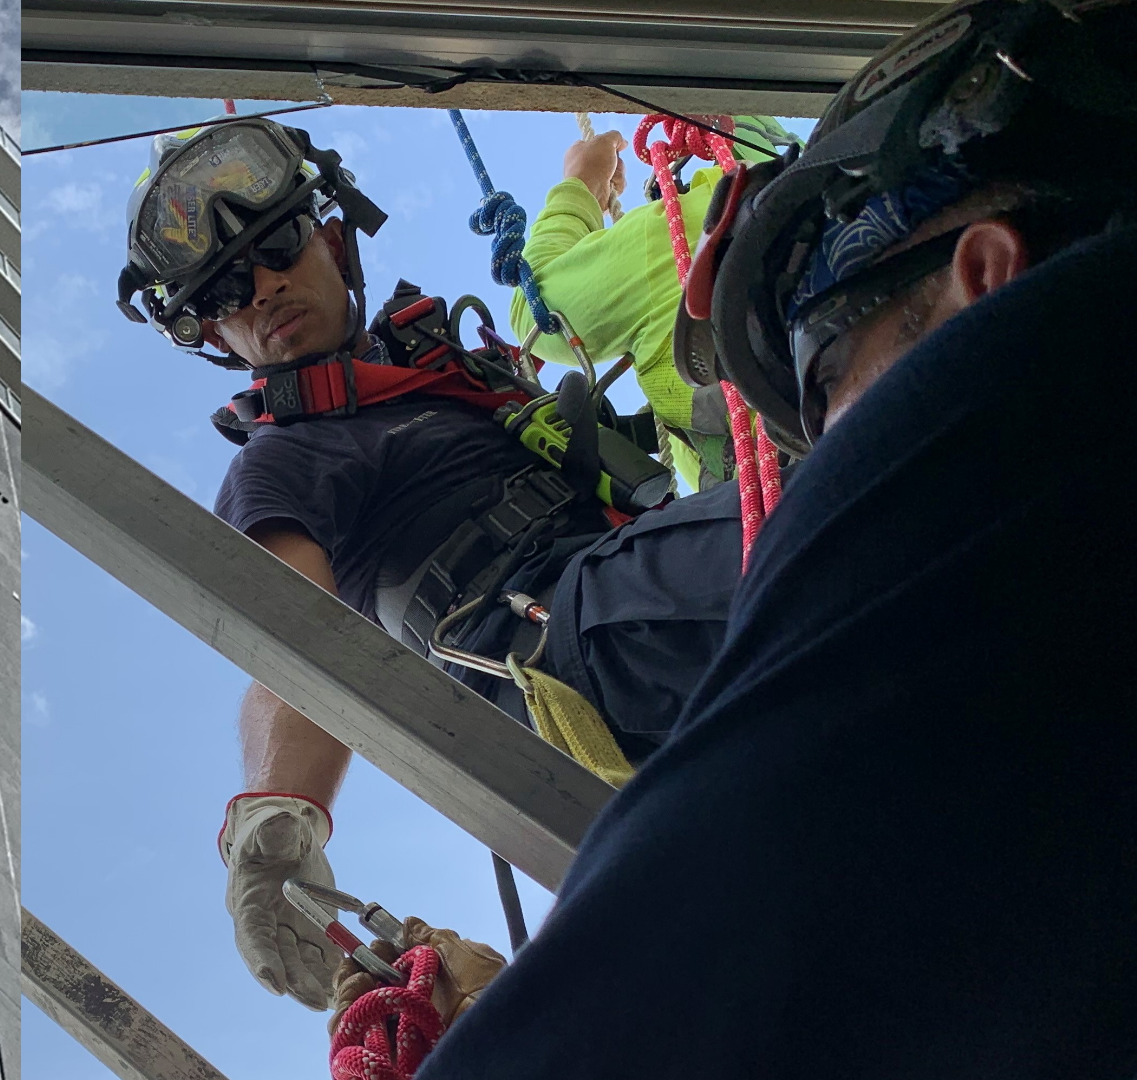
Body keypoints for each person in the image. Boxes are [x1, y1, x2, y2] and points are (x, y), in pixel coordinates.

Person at [419, 2, 1137, 1075]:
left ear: (987, 278)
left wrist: (575, 189)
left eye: (826, 375)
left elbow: (551, 304)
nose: (813, 434)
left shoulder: (966, 555)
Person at [114, 118, 748, 1010]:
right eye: (225, 288)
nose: (263, 288)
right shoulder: (284, 456)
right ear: (218, 335)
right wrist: (273, 813)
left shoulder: (451, 376)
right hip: (561, 640)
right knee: (845, 504)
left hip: (635, 583)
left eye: (280, 246)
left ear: (332, 239)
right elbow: (294, 636)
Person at [512, 117, 796, 489]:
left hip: (786, 512)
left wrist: (582, 185)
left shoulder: (676, 228)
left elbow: (537, 311)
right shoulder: (839, 201)